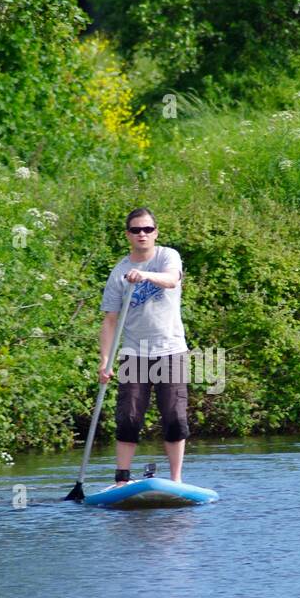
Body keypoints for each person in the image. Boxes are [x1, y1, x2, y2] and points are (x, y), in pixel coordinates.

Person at [99, 207, 189, 484]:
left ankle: (175, 480)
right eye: (136, 230)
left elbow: (172, 280)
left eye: (147, 230)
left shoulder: (167, 256)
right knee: (128, 417)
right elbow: (110, 321)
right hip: (134, 353)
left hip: (170, 350)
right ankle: (122, 479)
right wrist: (105, 362)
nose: (142, 234)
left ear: (155, 233)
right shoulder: (119, 272)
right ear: (128, 235)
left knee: (174, 417)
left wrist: (146, 276)